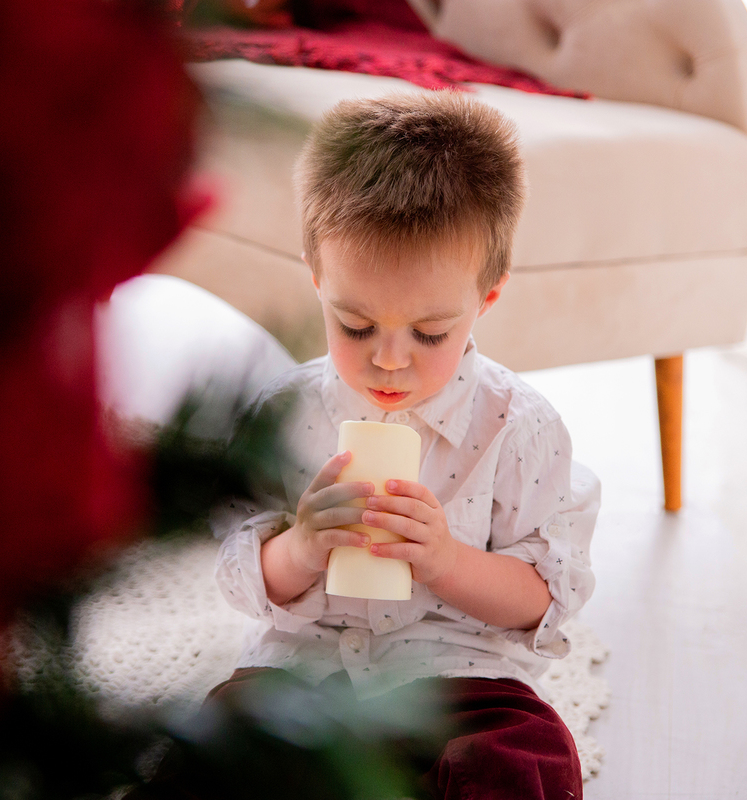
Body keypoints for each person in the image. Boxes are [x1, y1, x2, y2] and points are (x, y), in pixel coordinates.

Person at [211, 92, 600, 799]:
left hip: (458, 678)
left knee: (525, 756)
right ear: (317, 276)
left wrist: (446, 560)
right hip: (305, 673)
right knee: (214, 752)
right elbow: (240, 573)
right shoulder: (284, 411)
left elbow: (543, 597)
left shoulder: (520, 428)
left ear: (487, 297)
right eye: (355, 325)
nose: (390, 361)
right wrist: (300, 548)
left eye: (429, 333)